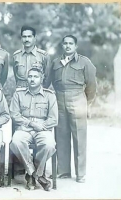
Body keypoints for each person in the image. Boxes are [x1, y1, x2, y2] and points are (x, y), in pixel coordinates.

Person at [51, 35, 97, 183]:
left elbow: (91, 85)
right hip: (59, 99)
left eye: (71, 43)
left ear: (75, 46)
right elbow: (49, 80)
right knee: (61, 135)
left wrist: (87, 103)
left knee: (79, 137)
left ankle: (80, 173)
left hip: (78, 99)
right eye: (65, 43)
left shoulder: (85, 62)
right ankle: (63, 170)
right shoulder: (56, 62)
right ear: (62, 46)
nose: (68, 46)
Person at [10, 67, 58, 191]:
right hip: (24, 127)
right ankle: (36, 174)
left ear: (41, 79)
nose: (32, 79)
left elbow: (53, 119)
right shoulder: (18, 94)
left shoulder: (49, 95)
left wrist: (41, 126)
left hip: (42, 128)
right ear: (27, 78)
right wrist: (31, 124)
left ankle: (33, 174)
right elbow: (14, 114)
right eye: (30, 76)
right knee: (16, 142)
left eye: (35, 77)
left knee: (49, 145)